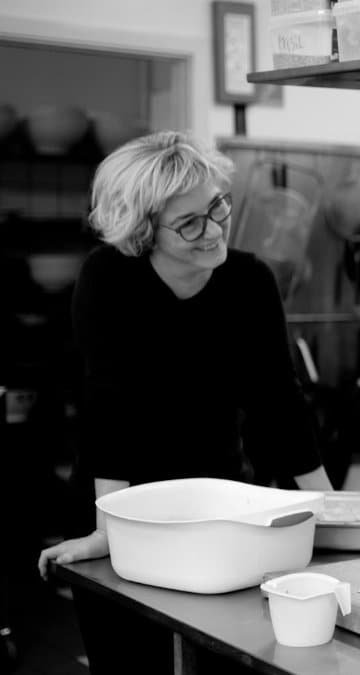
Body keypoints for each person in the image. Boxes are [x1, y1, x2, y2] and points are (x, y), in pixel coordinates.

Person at [35, 131, 333, 673]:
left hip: (217, 505)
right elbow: (109, 407)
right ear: (143, 233)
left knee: (224, 660)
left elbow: (278, 402)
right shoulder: (108, 279)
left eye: (216, 207)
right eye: (189, 223)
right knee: (132, 662)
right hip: (122, 497)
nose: (213, 230)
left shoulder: (248, 281)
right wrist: (110, 533)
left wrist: (328, 510)